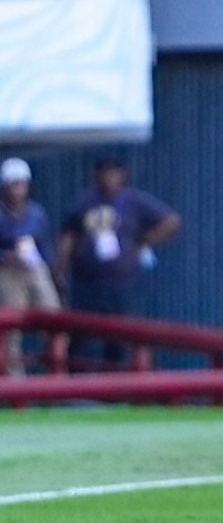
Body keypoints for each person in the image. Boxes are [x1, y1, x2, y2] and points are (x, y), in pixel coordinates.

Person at [57, 156, 180, 370]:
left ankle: (113, 389)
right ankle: (72, 384)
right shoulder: (83, 203)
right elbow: (69, 237)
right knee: (79, 335)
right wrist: (59, 269)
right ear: (96, 175)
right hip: (87, 282)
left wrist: (144, 240)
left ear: (122, 175)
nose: (109, 178)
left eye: (113, 173)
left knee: (117, 337)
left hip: (120, 282)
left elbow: (171, 220)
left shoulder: (134, 201)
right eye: (104, 173)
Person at [0, 158, 61, 375]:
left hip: (35, 269)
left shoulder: (36, 212)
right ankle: (16, 384)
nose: (18, 189)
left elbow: (45, 245)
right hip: (7, 272)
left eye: (22, 184)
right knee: (11, 330)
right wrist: (6, 256)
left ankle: (57, 377)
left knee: (54, 320)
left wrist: (55, 273)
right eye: (13, 184)